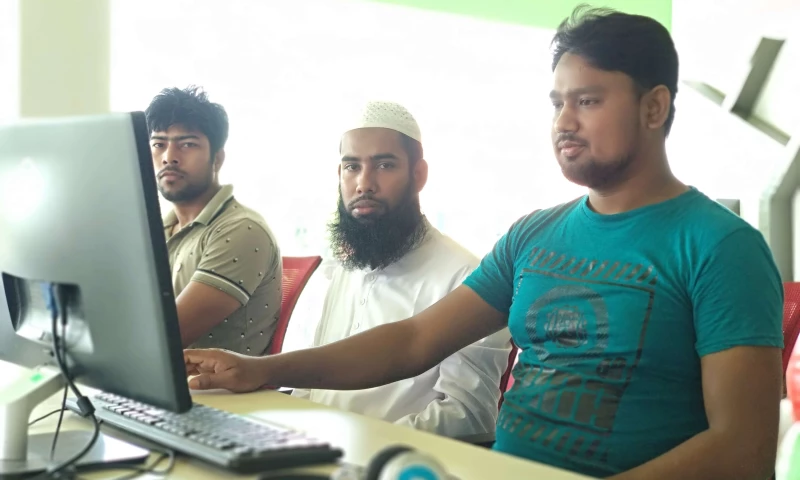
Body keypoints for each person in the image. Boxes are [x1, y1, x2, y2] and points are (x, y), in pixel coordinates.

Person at [184, 8, 784, 480]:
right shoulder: (534, 234)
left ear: (654, 107)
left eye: (588, 101)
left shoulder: (720, 246)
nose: (564, 122)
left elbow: (743, 450)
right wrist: (262, 370)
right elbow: (414, 340)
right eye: (557, 103)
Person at [282, 100, 512, 438]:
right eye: (351, 166)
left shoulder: (467, 278)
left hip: (394, 458)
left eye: (384, 165)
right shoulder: (343, 269)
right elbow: (308, 386)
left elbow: (469, 415)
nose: (364, 184)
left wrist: (361, 445)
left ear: (418, 175)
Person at [147, 86, 282, 356]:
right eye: (159, 144)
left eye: (187, 144)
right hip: (150, 380)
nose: (169, 157)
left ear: (217, 159)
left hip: (210, 384)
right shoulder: (155, 231)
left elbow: (162, 338)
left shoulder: (242, 230)